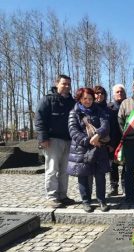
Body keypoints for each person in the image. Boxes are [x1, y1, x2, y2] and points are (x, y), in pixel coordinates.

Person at [67, 87, 110, 213]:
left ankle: (101, 200)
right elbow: (73, 131)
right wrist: (87, 140)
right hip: (81, 149)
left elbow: (105, 126)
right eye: (85, 98)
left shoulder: (99, 111)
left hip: (98, 147)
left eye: (90, 98)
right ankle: (86, 201)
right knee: (83, 176)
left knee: (100, 175)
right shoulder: (74, 113)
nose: (88, 101)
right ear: (80, 99)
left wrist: (98, 135)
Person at [35, 74, 76, 208]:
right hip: (52, 140)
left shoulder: (72, 102)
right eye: (64, 83)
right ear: (57, 83)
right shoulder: (47, 100)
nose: (67, 86)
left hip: (68, 140)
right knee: (52, 169)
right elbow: (39, 120)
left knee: (65, 170)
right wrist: (43, 138)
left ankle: (62, 196)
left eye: (69, 84)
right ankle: (52, 197)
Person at [106, 84, 127, 196]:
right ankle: (114, 187)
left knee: (126, 165)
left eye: (122, 91)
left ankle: (125, 187)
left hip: (126, 139)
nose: (120, 93)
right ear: (113, 94)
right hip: (112, 141)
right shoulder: (108, 107)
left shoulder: (129, 105)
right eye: (117, 92)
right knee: (113, 166)